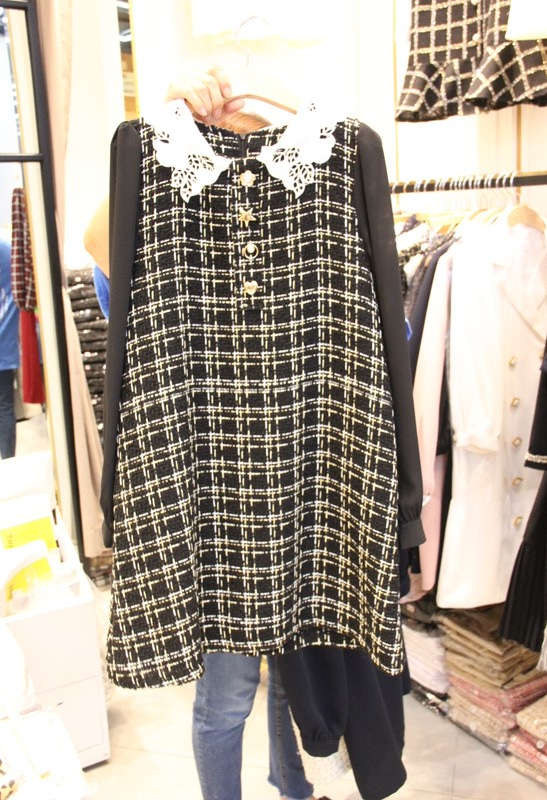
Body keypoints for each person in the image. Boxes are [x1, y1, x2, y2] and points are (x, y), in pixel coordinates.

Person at [85, 66, 327, 800]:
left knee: (296, 675)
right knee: (228, 694)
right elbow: (101, 249)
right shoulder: (164, 233)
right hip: (217, 513)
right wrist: (157, 131)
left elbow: (388, 333)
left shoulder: (308, 216)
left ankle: (292, 783)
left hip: (298, 492)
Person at [0, 234, 19, 459]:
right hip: (5, 344)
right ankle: (7, 461)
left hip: (5, 346)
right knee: (4, 407)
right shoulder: (8, 250)